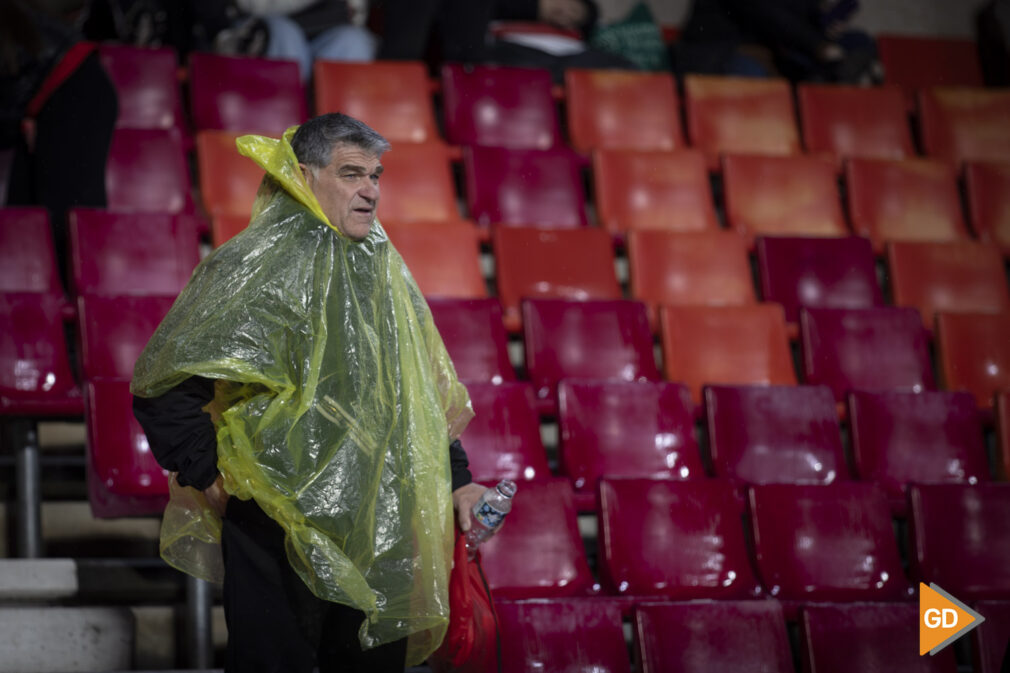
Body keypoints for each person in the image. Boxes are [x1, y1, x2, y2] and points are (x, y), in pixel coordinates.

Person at [131, 112, 486, 672]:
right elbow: (164, 386)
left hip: (378, 522)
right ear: (302, 174)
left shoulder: (380, 266)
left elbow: (411, 394)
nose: (370, 190)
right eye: (351, 174)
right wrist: (214, 477)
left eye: (376, 175)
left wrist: (459, 482)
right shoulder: (250, 269)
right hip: (278, 526)